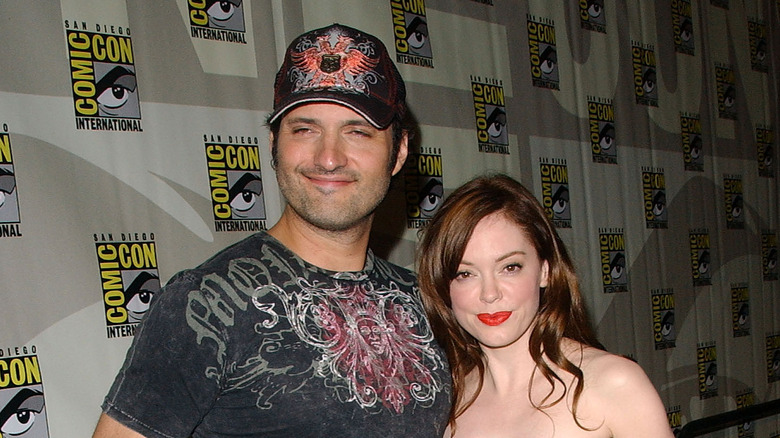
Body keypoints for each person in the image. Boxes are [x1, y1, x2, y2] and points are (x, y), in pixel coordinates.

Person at [92, 23, 451, 438]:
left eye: (357, 132)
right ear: (273, 142)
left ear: (399, 151)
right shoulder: (204, 303)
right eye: (305, 129)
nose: (329, 158)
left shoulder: (428, 301)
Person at [417, 174, 673, 438]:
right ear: (442, 285)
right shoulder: (446, 398)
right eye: (465, 274)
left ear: (545, 271)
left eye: (510, 267)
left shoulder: (612, 383)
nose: (489, 294)